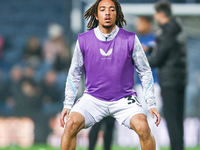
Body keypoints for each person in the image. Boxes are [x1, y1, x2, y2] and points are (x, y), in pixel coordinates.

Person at [60, 0, 161, 150]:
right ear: (96, 14)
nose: (107, 13)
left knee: (143, 127)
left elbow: (145, 71)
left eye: (112, 9)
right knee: (70, 125)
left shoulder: (131, 39)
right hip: (93, 98)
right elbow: (74, 73)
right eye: (103, 9)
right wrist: (67, 104)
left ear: (117, 14)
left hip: (123, 99)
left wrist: (151, 103)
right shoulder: (83, 40)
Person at [147, 1, 187, 150]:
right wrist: (150, 49)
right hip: (180, 78)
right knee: (178, 119)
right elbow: (170, 51)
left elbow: (158, 59)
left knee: (171, 120)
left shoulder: (166, 32)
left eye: (155, 13)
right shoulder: (178, 28)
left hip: (169, 80)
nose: (154, 16)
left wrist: (138, 59)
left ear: (161, 14)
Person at [134, 16, 162, 150]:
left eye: (140, 22)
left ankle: (156, 146)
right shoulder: (136, 40)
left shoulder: (155, 40)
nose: (137, 25)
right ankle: (145, 146)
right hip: (139, 84)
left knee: (153, 115)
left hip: (154, 84)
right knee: (142, 116)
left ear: (147, 23)